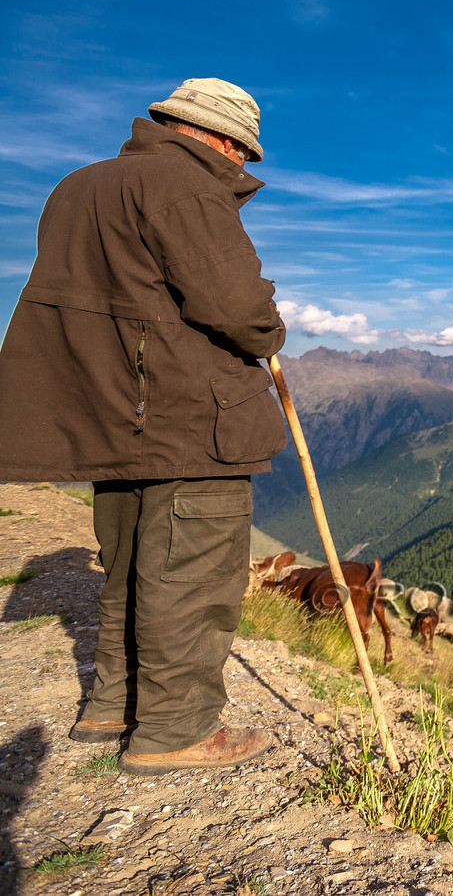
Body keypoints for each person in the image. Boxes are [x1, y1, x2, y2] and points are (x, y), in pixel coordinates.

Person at [0, 78, 287, 775]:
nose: (244, 169)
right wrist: (270, 324)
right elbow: (238, 306)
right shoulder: (186, 189)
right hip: (187, 418)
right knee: (192, 573)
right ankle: (175, 730)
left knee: (128, 567)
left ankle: (113, 704)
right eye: (244, 154)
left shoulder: (79, 186)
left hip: (108, 418)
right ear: (221, 140)